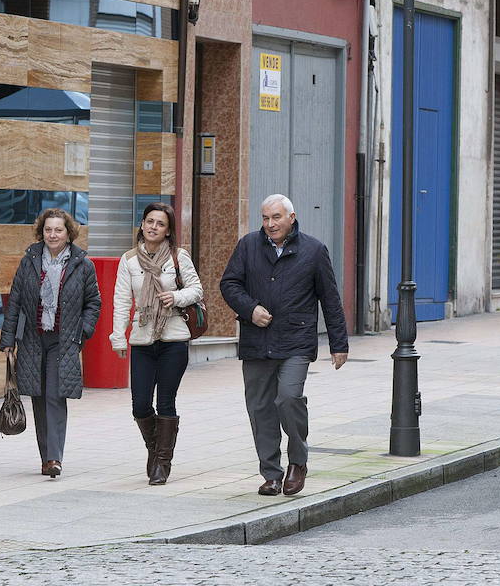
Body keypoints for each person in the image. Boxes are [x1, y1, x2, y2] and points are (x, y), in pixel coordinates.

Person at [220, 194, 349, 496]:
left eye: (276, 217)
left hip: (296, 341)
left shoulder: (314, 251)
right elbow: (229, 284)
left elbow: (330, 299)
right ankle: (271, 473)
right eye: (265, 218)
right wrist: (250, 309)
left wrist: (338, 343)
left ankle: (298, 462)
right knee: (260, 407)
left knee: (289, 398)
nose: (270, 224)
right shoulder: (248, 245)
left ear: (292, 217)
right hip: (256, 341)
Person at [0, 208, 101, 478]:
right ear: (41, 232)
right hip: (33, 339)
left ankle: (55, 457)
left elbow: (94, 302)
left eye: (58, 230)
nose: (52, 234)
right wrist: (8, 340)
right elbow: (16, 302)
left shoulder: (82, 264)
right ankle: (46, 456)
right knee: (38, 397)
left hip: (63, 340)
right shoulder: (30, 261)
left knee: (55, 395)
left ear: (68, 233)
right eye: (48, 230)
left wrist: (83, 331)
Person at [110, 202, 203, 485]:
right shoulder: (129, 261)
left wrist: (175, 297)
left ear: (167, 231)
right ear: (141, 225)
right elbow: (122, 300)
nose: (153, 227)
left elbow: (197, 289)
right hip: (142, 338)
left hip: (173, 338)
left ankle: (162, 463)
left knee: (165, 401)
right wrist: (117, 336)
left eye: (160, 224)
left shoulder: (178, 257)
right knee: (139, 404)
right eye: (149, 221)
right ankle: (155, 449)